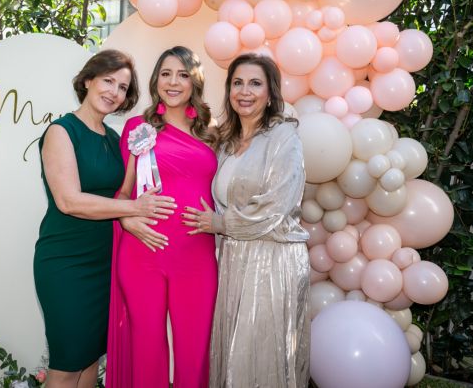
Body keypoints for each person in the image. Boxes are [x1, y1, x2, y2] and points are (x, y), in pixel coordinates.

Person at [33, 49, 177, 388]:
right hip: (66, 262)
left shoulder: (115, 139)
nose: (114, 92)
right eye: (108, 81)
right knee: (68, 364)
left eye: (123, 87)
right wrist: (134, 209)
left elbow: (124, 192)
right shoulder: (61, 131)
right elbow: (69, 201)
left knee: (89, 364)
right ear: (88, 80)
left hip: (106, 262)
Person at [183, 53, 311, 388]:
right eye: (237, 83)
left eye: (256, 83)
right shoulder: (226, 141)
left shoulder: (284, 137)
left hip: (273, 260)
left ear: (271, 93)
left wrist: (220, 224)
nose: (245, 91)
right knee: (234, 356)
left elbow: (277, 205)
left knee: (263, 354)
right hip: (233, 260)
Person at [106, 46, 219, 388]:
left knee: (195, 353)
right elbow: (124, 193)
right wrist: (127, 220)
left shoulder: (211, 132)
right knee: (147, 350)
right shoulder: (138, 127)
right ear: (156, 80)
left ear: (194, 82)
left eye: (183, 75)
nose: (173, 82)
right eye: (166, 74)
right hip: (143, 253)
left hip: (196, 256)